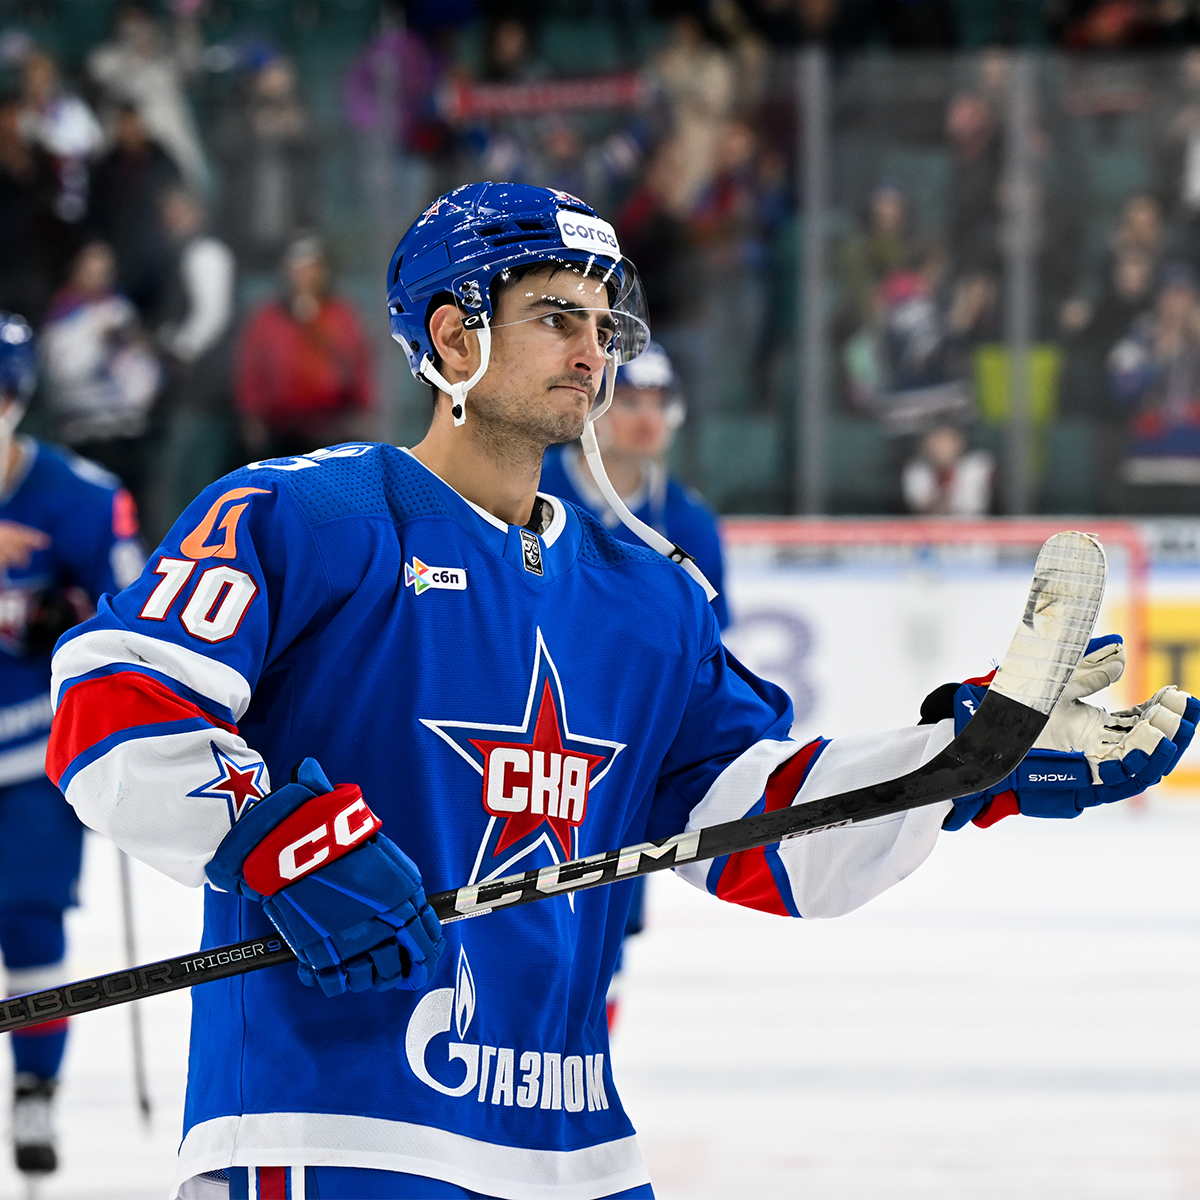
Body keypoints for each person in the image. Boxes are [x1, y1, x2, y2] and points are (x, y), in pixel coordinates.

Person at [46, 183, 1197, 1199]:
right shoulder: (311, 515)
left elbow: (771, 831)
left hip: (572, 1151)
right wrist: (273, 837)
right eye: (557, 318)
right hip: (330, 1128)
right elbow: (113, 702)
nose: (594, 354)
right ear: (453, 335)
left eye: (605, 326)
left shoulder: (648, 596)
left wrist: (963, 762)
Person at [538, 339, 728, 1028]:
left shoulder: (689, 521)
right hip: (520, 737)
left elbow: (707, 654)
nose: (646, 417)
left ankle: (576, 1067)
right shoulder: (526, 486)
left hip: (618, 759)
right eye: (631, 400)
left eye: (659, 401)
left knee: (603, 931)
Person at [0, 312, 144, 1176]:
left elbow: (137, 621)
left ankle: (36, 1084)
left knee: (29, 918)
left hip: (29, 749)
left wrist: (64, 616)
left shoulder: (84, 497)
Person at [234, 232, 374, 461]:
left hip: (332, 427)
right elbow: (252, 369)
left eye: (311, 269)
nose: (303, 277)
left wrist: (363, 410)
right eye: (296, 269)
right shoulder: (267, 318)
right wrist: (252, 416)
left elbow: (358, 363)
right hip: (280, 429)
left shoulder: (342, 315)